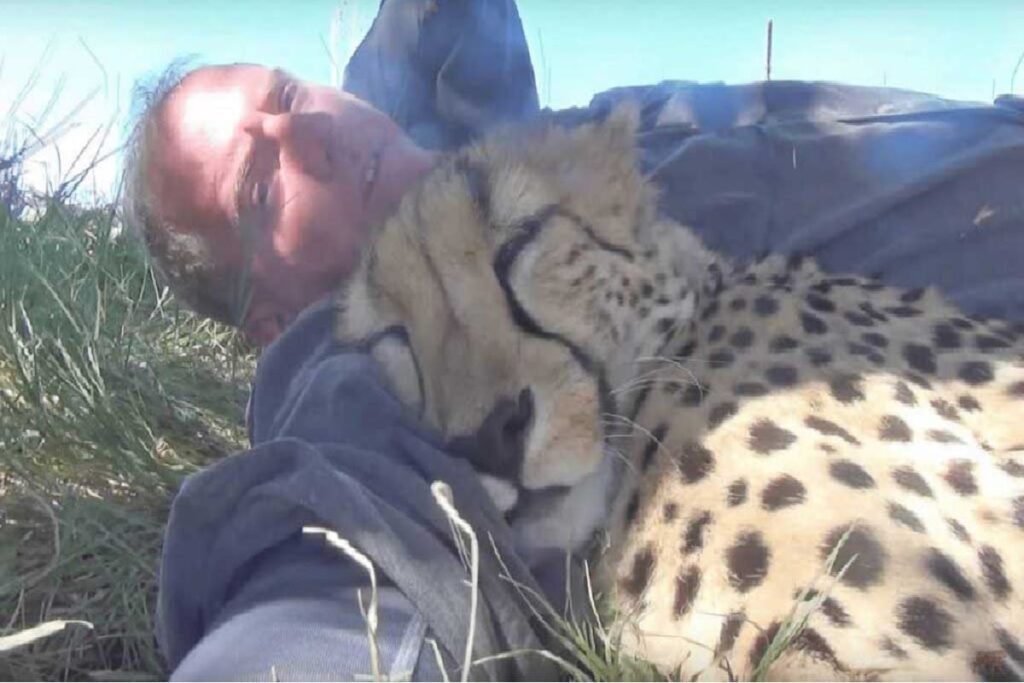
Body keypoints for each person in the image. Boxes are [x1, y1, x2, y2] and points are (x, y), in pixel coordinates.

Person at [123, 0, 1024, 679]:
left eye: (287, 97)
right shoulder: (336, 356)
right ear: (270, 321)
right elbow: (336, 531)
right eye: (257, 187)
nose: (306, 137)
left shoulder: (479, 122)